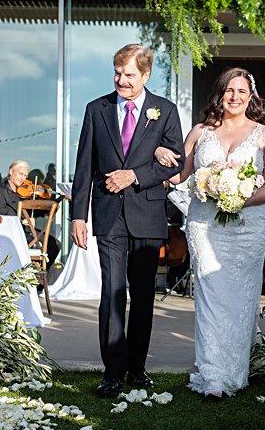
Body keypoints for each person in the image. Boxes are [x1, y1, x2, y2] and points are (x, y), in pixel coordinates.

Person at [70, 43, 184, 398]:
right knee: (112, 293)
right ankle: (112, 371)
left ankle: (137, 367)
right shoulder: (96, 109)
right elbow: (84, 167)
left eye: (129, 74)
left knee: (144, 294)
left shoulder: (164, 111)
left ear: (146, 75)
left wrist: (134, 175)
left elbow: (177, 162)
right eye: (117, 73)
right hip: (107, 215)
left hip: (148, 215)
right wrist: (77, 216)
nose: (121, 79)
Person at [168, 67, 265, 399]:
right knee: (210, 297)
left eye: (241, 92)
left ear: (251, 97)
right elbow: (180, 175)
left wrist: (240, 198)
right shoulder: (200, 132)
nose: (234, 97)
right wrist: (161, 156)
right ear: (219, 94)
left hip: (248, 227)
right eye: (229, 91)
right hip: (204, 225)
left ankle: (235, 372)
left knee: (241, 298)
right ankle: (212, 374)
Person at [0, 158, 61, 264]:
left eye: (25, 176)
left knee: (55, 244)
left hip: (26, 231)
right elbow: (1, 214)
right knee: (50, 245)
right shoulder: (0, 191)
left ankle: (42, 277)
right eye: (20, 174)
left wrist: (53, 204)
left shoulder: (23, 193)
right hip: (12, 233)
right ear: (11, 171)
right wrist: (21, 221)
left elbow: (32, 211)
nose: (23, 178)